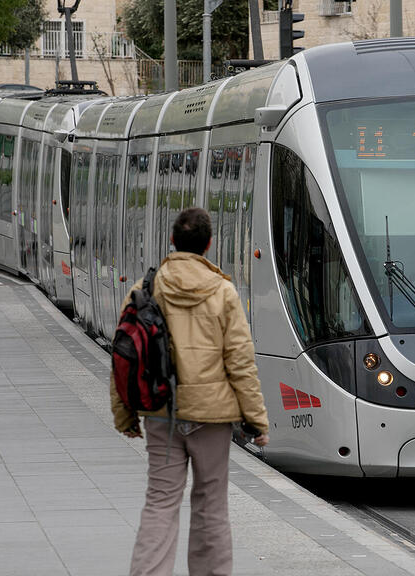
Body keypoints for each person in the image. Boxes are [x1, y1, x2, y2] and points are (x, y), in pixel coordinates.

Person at [110, 207, 270, 576]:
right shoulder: (224, 292)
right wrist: (257, 421)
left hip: (161, 412)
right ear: (209, 245)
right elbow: (241, 363)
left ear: (172, 242)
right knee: (211, 504)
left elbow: (124, 353)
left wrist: (125, 415)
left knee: (160, 502)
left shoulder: (146, 288)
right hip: (212, 418)